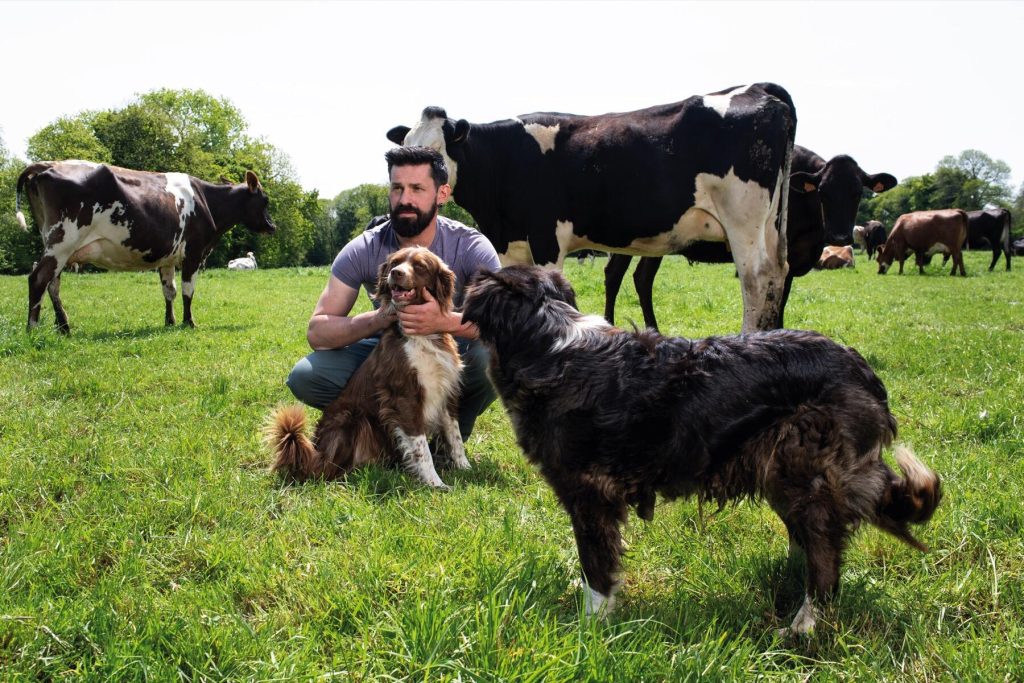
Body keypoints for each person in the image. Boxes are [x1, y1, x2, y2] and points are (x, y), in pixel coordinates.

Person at [286, 146, 500, 440]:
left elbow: (502, 320)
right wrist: (379, 318)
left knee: (493, 358)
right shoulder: (364, 248)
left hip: (449, 343)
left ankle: (449, 435)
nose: (405, 199)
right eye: (397, 188)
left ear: (442, 194)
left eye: (417, 189)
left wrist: (442, 322)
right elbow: (318, 332)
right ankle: (383, 432)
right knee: (306, 376)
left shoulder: (470, 246)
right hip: (387, 347)